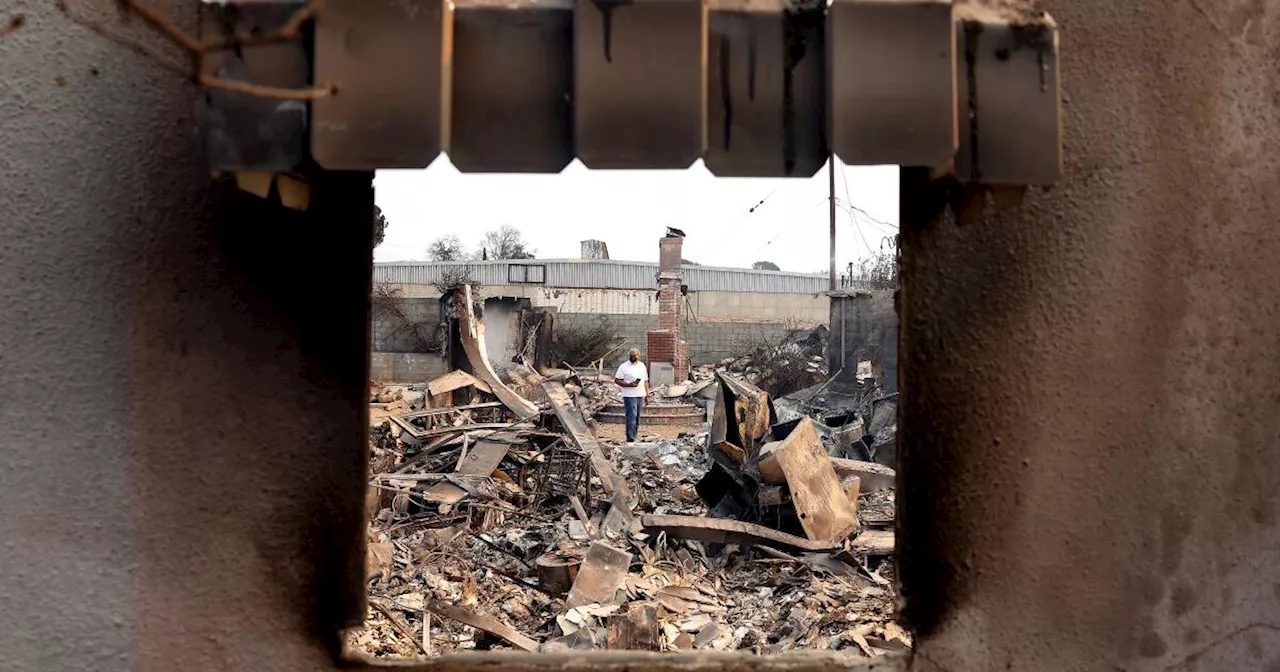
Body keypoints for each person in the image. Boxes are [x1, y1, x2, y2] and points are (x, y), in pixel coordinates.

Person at [614, 348, 649, 443]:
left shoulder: (642, 366)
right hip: (629, 395)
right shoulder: (624, 366)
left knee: (637, 417)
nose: (634, 357)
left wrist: (646, 394)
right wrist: (629, 385)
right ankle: (630, 438)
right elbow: (617, 380)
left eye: (635, 355)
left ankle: (634, 435)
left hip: (640, 394)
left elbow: (645, 380)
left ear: (639, 355)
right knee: (631, 416)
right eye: (632, 355)